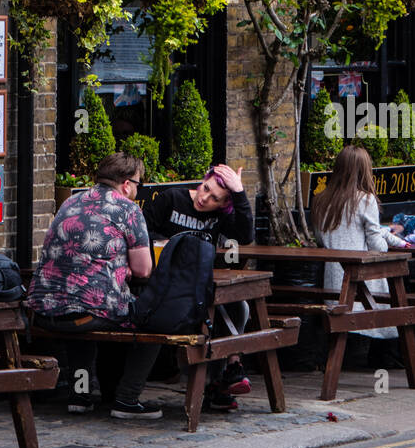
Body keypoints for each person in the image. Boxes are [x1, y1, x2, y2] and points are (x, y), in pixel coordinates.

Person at [27, 152, 162, 419]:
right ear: (126, 184)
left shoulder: (71, 201)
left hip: (43, 312)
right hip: (85, 315)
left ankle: (80, 396)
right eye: (138, 184)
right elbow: (143, 269)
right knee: (157, 321)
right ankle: (126, 399)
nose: (137, 190)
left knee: (82, 307)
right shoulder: (128, 209)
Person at [142, 164, 254, 409]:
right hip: (165, 287)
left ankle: (223, 380)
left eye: (215, 198)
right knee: (222, 309)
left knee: (239, 307)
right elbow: (140, 230)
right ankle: (229, 373)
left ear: (224, 205)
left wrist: (239, 192)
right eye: (205, 188)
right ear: (202, 181)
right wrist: (163, 243)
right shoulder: (171, 199)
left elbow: (244, 236)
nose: (204, 198)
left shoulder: (222, 216)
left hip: (198, 286)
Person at [312, 145, 408, 365]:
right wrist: (388, 239)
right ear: (365, 170)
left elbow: (321, 238)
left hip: (332, 279)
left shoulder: (320, 200)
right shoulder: (364, 200)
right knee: (392, 289)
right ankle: (386, 357)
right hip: (358, 280)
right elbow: (377, 247)